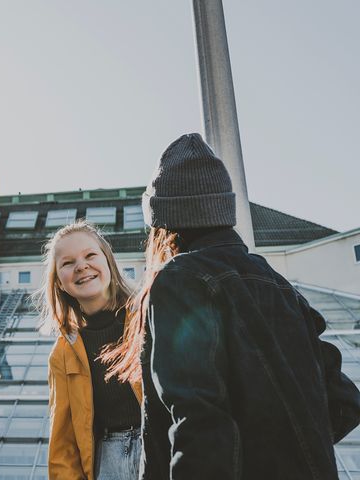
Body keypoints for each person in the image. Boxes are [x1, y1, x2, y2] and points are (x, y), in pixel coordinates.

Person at [102, 133, 360, 479]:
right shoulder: (277, 283)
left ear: (161, 223)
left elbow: (198, 422)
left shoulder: (179, 281)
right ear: (224, 209)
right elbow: (344, 399)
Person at [40, 221, 143, 480]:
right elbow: (63, 441)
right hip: (106, 460)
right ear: (60, 283)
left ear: (108, 261)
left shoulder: (148, 317)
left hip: (158, 446)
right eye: (67, 263)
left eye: (90, 255)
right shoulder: (62, 354)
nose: (81, 266)